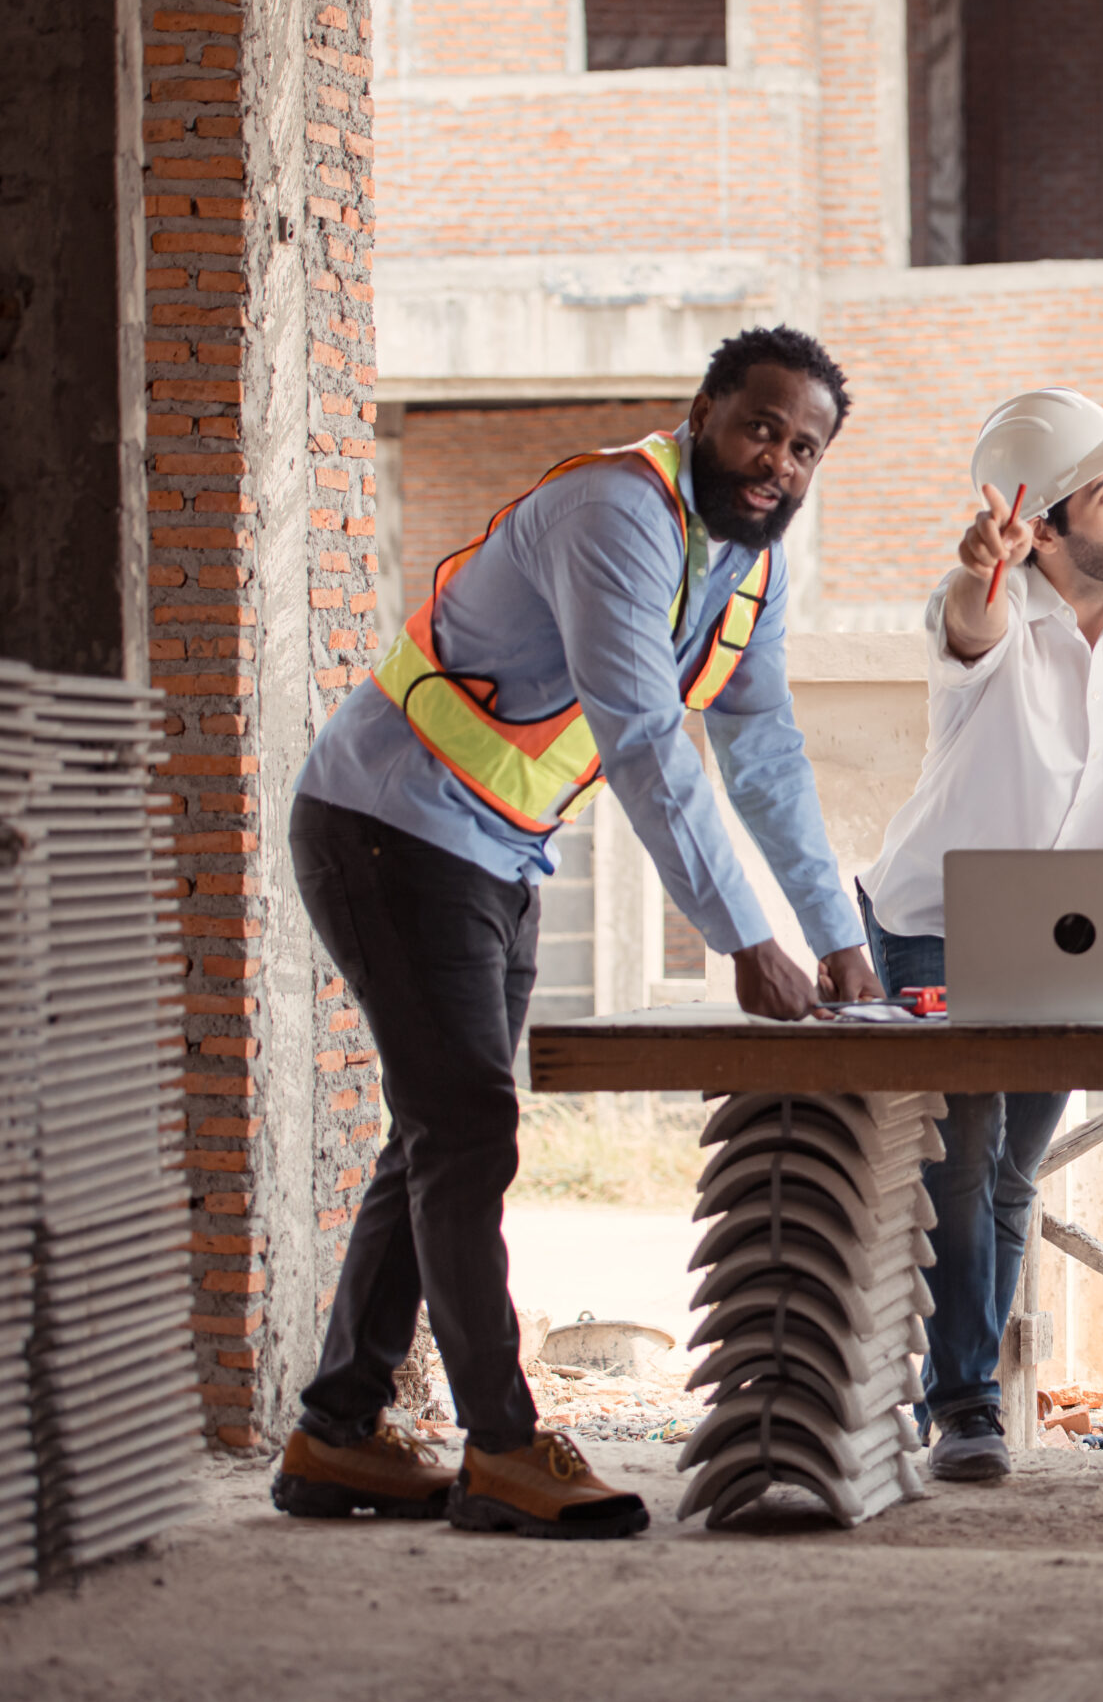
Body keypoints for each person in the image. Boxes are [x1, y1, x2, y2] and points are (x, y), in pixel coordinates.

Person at [270, 326, 882, 1539]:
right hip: (387, 827)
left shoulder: (749, 564)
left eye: (804, 448)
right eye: (760, 428)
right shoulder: (617, 510)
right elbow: (648, 738)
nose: (778, 464)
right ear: (702, 412)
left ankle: (334, 1437)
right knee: (465, 1131)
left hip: (493, 848)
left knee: (436, 1133)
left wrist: (833, 931)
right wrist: (740, 934)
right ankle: (500, 1446)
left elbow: (762, 753)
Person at [863, 388, 1103, 1482]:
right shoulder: (986, 600)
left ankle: (970, 1397)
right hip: (939, 919)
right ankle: (965, 1403)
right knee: (960, 1163)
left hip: (1081, 923)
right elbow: (964, 632)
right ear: (1050, 523)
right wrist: (983, 574)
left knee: (1016, 1172)